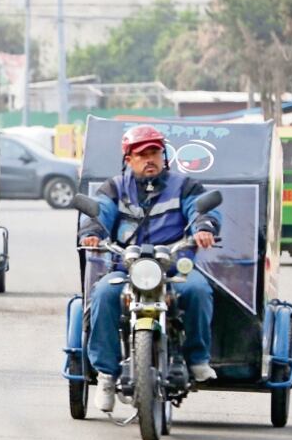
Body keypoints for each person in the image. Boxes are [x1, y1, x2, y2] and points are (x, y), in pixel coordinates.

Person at [79, 124, 221, 412]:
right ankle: (106, 375)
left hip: (173, 268)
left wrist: (205, 228)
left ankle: (197, 359)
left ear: (163, 156)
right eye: (142, 155)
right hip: (126, 267)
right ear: (128, 159)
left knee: (198, 289)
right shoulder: (114, 188)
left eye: (154, 153)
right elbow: (99, 213)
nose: (150, 160)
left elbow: (201, 210)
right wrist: (92, 233)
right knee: (103, 294)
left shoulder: (185, 186)